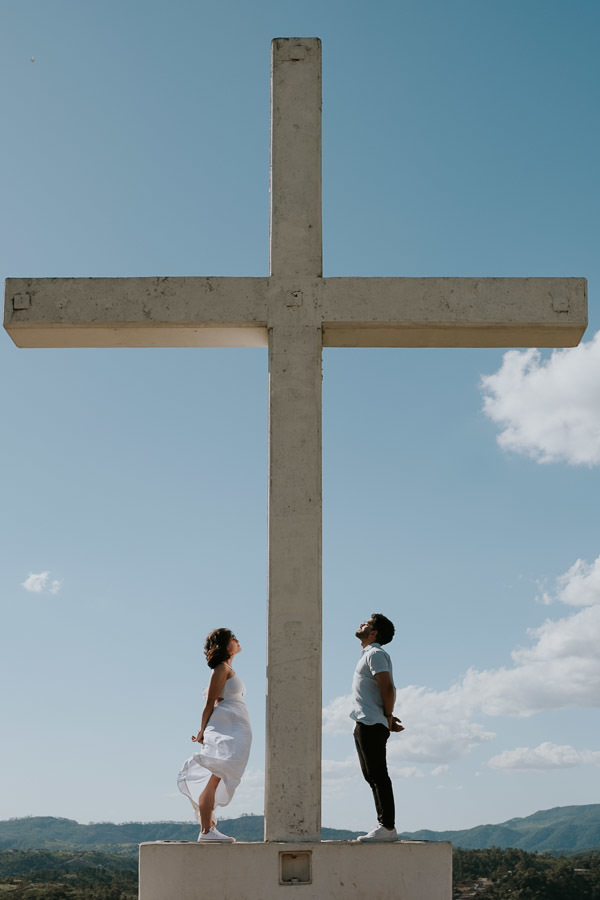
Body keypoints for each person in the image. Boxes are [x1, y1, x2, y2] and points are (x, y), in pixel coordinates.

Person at [177, 627, 252, 843]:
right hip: (225, 728)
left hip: (234, 726)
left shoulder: (228, 668)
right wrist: (202, 731)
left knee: (218, 777)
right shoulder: (221, 669)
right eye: (233, 638)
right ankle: (206, 830)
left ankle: (208, 828)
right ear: (225, 645)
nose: (237, 640)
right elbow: (210, 703)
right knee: (215, 777)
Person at [351, 613, 404, 842]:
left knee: (378, 775)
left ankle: (387, 827)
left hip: (372, 723)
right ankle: (384, 825)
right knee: (371, 776)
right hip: (366, 721)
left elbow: (388, 688)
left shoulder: (376, 654)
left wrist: (388, 717)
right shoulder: (369, 654)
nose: (362, 623)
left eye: (367, 623)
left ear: (373, 633)